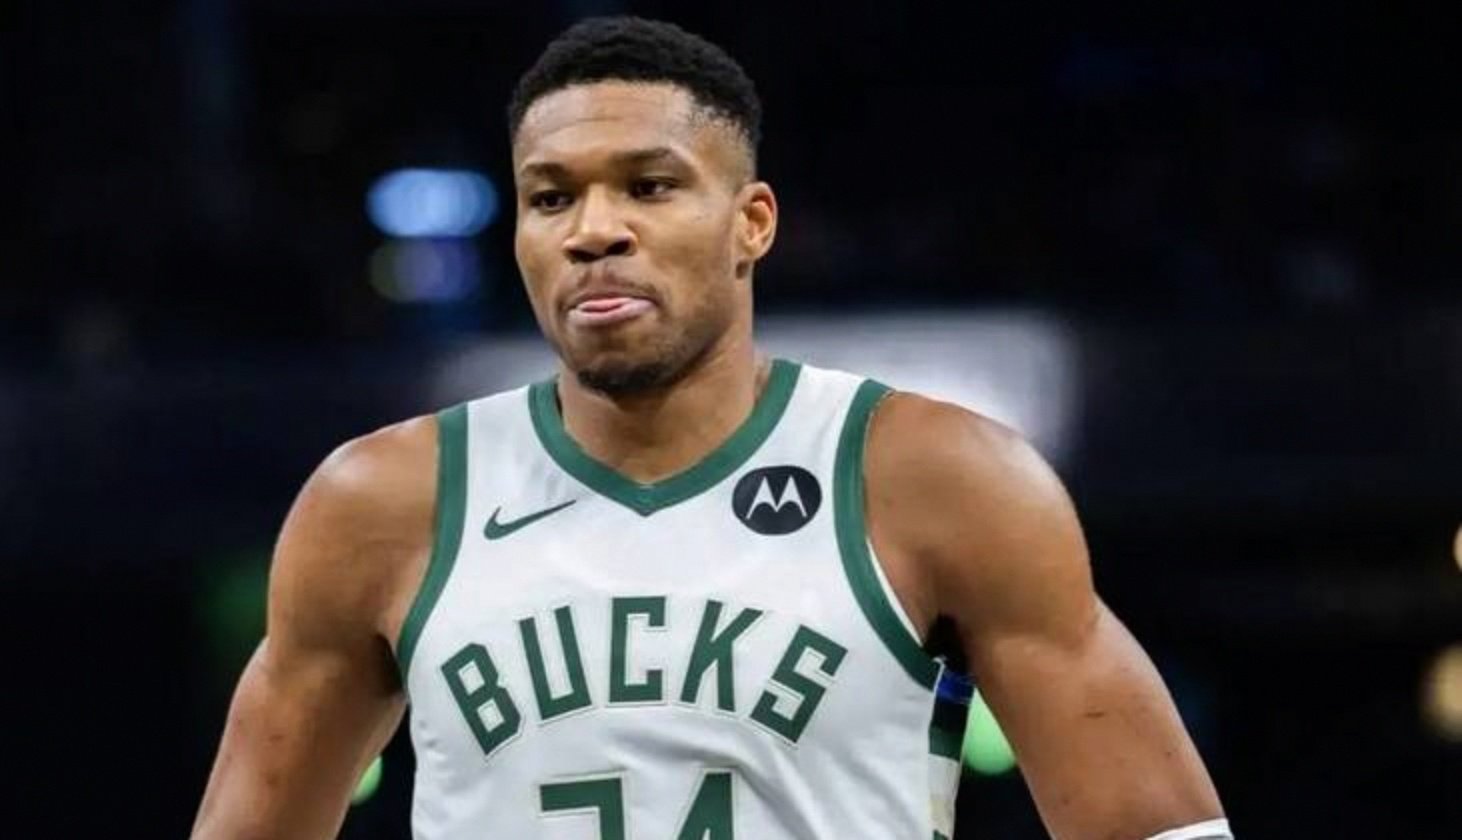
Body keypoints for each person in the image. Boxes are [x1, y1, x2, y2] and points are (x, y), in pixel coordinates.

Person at [193, 15, 1230, 840]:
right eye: (550, 198)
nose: (595, 231)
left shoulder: (936, 476)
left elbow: (1160, 830)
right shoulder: (382, 502)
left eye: (649, 187)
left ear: (752, 222)